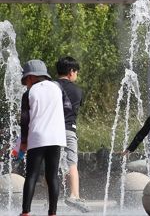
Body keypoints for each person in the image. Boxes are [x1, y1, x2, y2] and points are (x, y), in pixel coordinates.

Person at [19, 59, 70, 216]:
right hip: (56, 137)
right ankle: (52, 213)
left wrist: (23, 142)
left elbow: (24, 120)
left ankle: (26, 212)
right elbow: (68, 108)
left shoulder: (29, 93)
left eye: (26, 79)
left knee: (32, 174)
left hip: (37, 137)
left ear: (32, 77)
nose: (27, 83)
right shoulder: (58, 87)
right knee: (52, 175)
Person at [55, 56, 90, 213]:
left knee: (52, 165)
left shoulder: (50, 86)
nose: (77, 75)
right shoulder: (77, 90)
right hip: (69, 130)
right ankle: (74, 195)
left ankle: (51, 198)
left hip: (51, 131)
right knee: (72, 163)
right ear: (71, 72)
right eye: (76, 72)